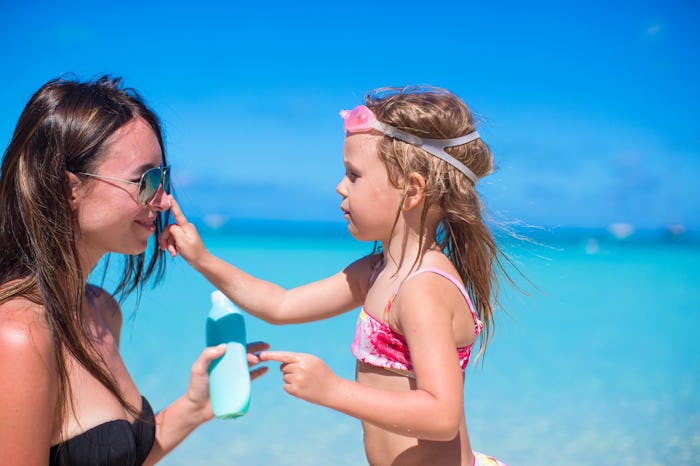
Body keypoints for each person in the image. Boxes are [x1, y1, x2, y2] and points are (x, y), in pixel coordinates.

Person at [160, 86, 509, 466]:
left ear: (411, 189)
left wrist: (332, 390)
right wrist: (202, 259)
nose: (340, 187)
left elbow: (440, 417)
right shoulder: (375, 272)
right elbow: (282, 304)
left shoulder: (422, 289)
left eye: (354, 175)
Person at [0, 76, 268, 465]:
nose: (163, 200)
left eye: (163, 177)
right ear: (68, 188)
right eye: (146, 181)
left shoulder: (101, 310)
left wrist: (194, 406)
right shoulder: (19, 335)